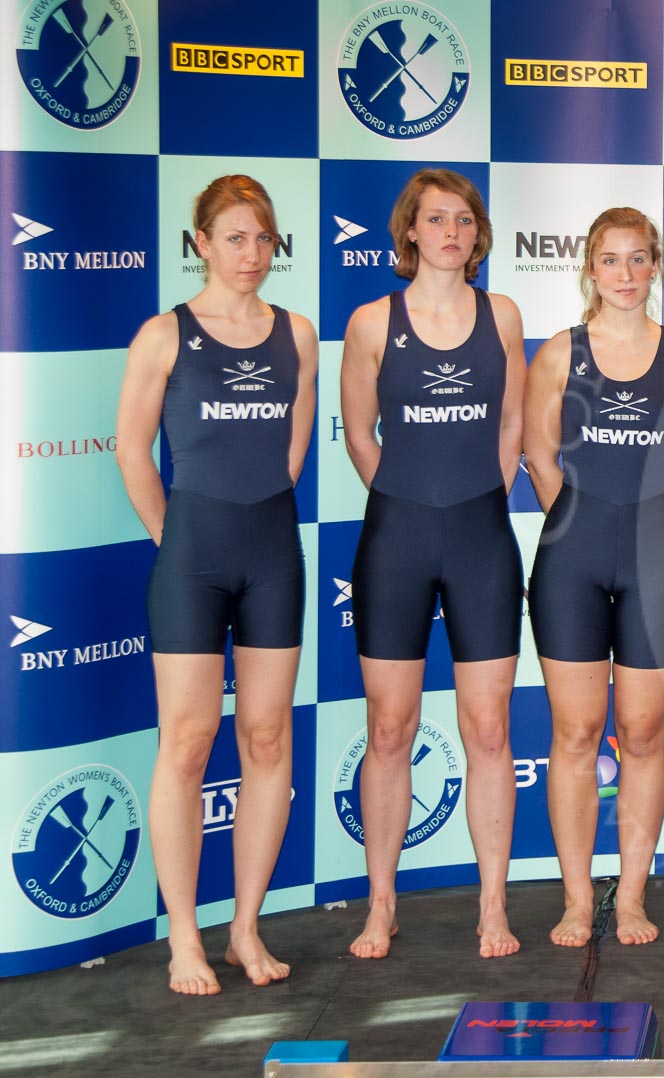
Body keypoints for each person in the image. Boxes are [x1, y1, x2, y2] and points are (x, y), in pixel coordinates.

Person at [115, 175, 317, 994]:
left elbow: (293, 455)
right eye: (234, 237)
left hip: (271, 555)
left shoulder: (297, 334)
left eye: (263, 239)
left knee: (268, 741)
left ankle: (243, 929)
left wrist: (245, 527)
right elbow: (131, 450)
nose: (250, 254)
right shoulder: (164, 336)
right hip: (192, 560)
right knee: (189, 743)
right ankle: (185, 942)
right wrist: (178, 536)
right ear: (200, 242)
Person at [338, 168, 527, 960]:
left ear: (477, 236)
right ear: (409, 232)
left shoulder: (505, 316)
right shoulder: (371, 322)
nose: (450, 231)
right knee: (389, 729)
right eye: (435, 219)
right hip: (398, 539)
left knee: (488, 728)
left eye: (463, 220)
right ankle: (381, 905)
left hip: (482, 536)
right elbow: (357, 434)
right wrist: (411, 500)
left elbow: (512, 422)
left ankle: (493, 906)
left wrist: (478, 494)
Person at [524, 208, 664, 948]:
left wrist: (649, 527)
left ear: (658, 266)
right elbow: (540, 458)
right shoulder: (558, 354)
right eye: (611, 260)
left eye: (639, 260)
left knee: (642, 731)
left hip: (654, 555)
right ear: (589, 270)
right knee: (574, 732)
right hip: (571, 558)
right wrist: (576, 521)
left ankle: (631, 896)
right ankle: (576, 898)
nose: (626, 275)